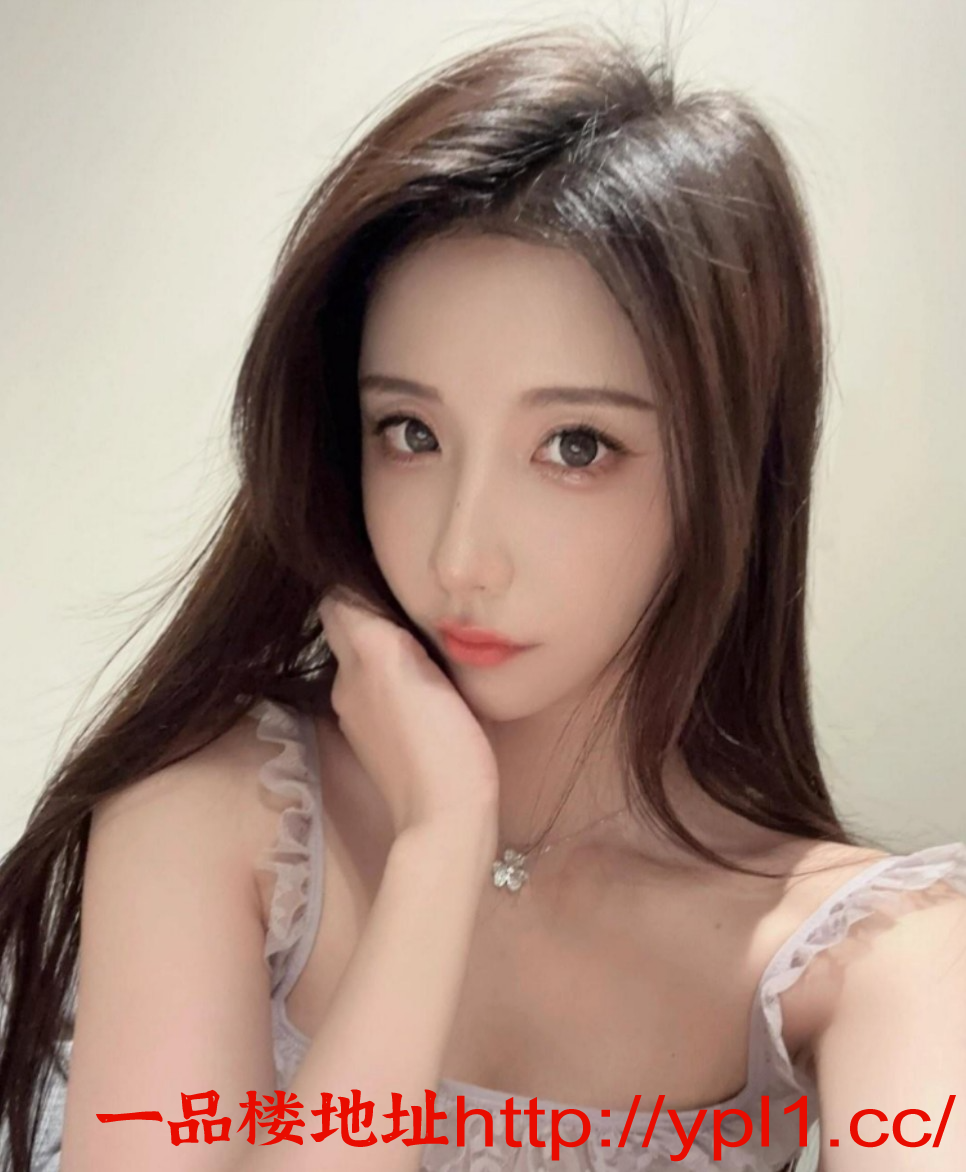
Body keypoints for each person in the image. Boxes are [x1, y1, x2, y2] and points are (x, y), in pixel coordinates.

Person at [1, 24, 964, 1172]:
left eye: (574, 445)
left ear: (729, 474)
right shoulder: (215, 812)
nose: (462, 556)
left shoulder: (882, 956)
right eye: (410, 431)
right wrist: (438, 852)